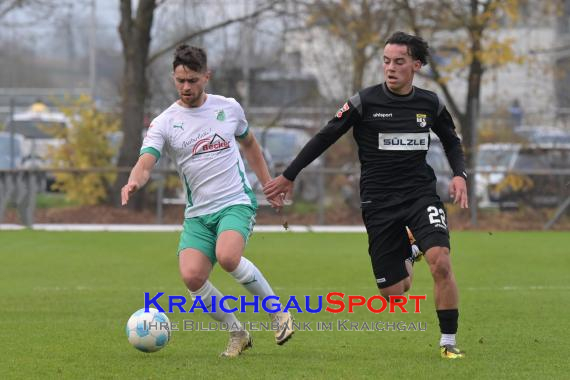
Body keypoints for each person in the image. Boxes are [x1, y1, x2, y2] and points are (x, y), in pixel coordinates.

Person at [264, 31, 468, 359]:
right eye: (386, 61)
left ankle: (448, 342)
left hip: (421, 195)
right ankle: (410, 250)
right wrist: (290, 175)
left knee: (441, 262)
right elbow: (326, 135)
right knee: (394, 293)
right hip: (379, 202)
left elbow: (452, 140)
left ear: (415, 65)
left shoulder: (430, 103)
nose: (390, 68)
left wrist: (459, 175)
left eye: (399, 62)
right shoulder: (365, 102)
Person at [121, 44, 293, 358]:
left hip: (235, 202)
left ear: (206, 77)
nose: (186, 87)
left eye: (193, 80)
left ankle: (278, 312)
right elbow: (147, 160)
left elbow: (251, 145)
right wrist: (135, 179)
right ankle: (237, 333)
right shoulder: (164, 121)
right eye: (180, 81)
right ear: (174, 78)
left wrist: (268, 183)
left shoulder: (228, 108)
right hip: (198, 214)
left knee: (228, 257)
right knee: (192, 277)